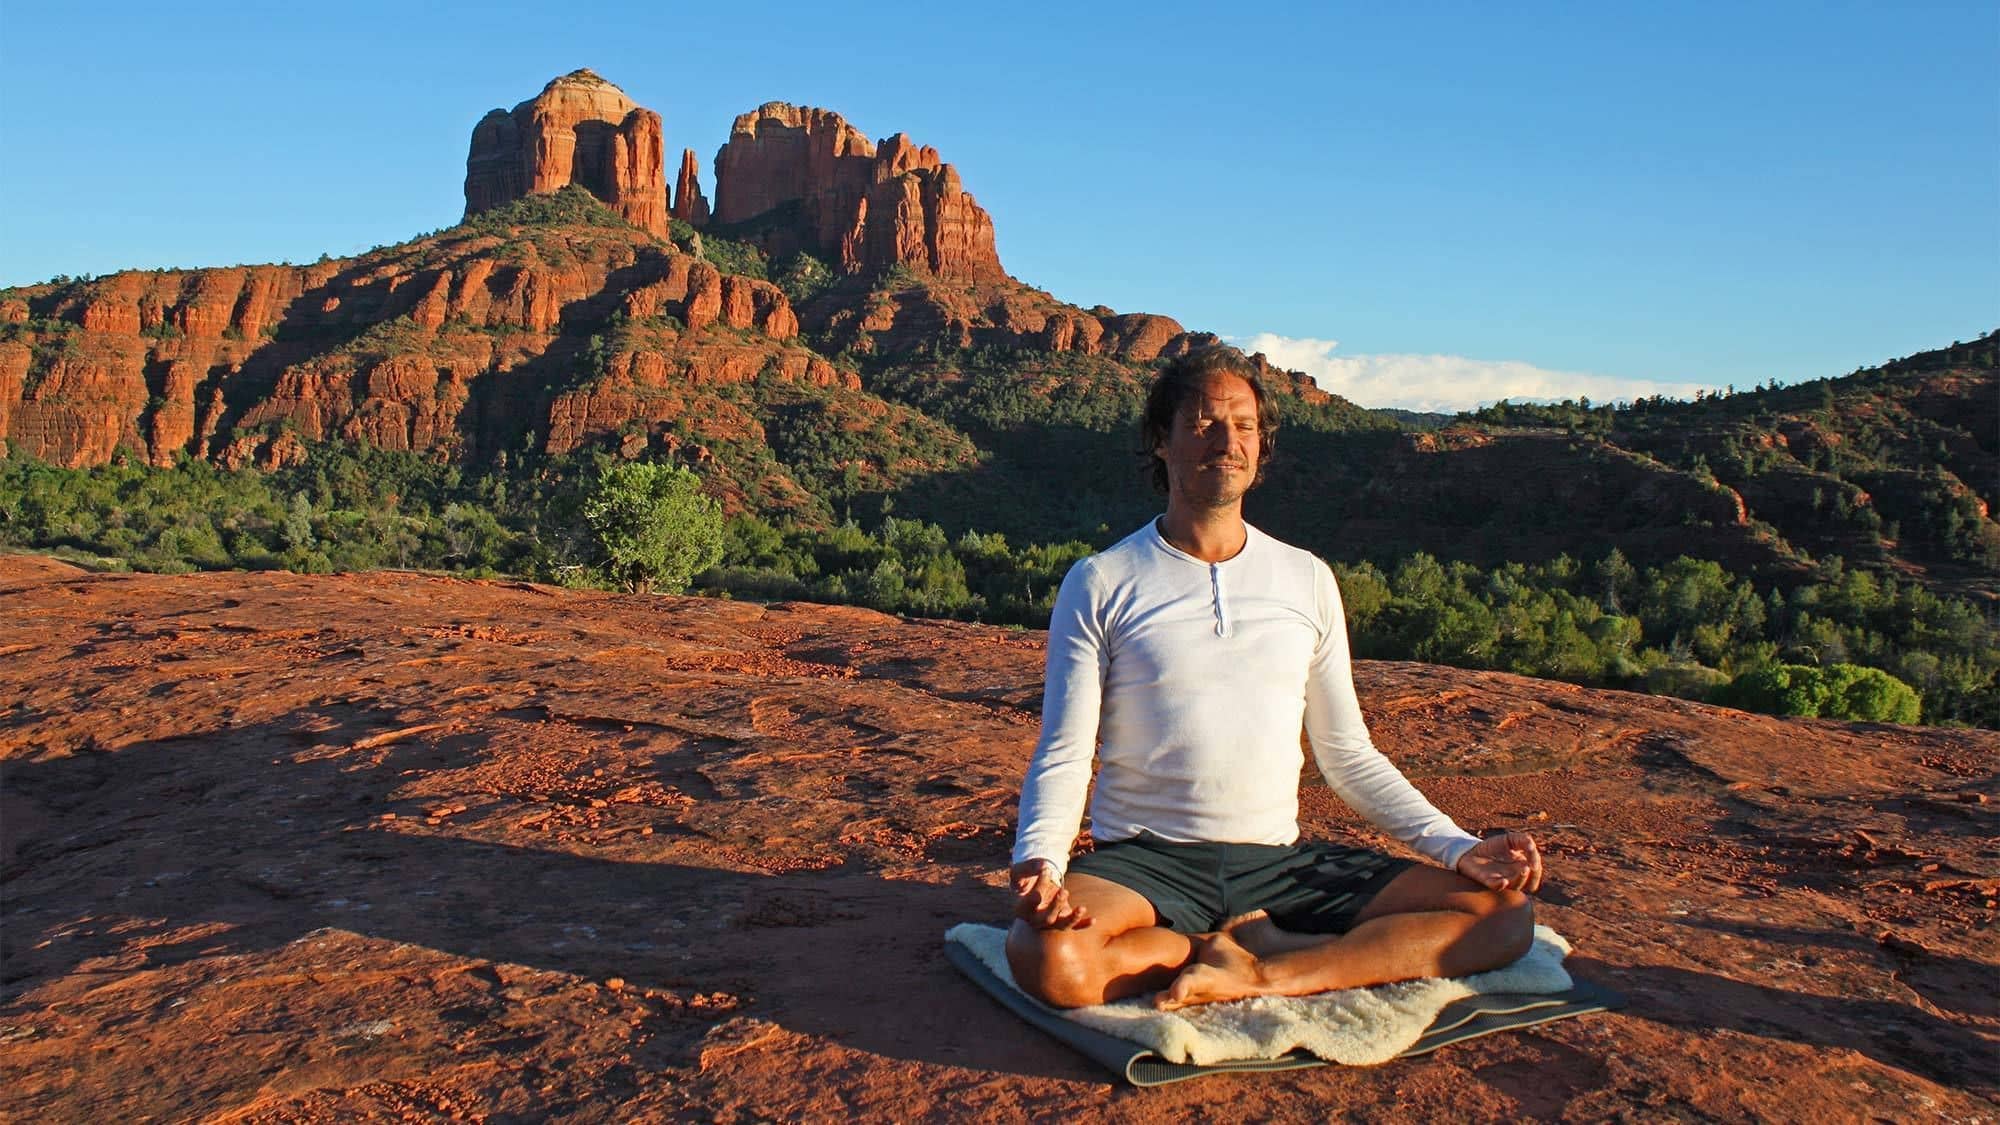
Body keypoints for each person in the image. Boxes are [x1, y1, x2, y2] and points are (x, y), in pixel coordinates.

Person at [1006, 347, 1544, 1011]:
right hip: (1144, 863)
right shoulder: (1101, 581)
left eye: (1244, 425)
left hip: (1277, 864)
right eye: (1203, 423)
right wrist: (1042, 863)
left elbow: (1348, 756)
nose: (1227, 441)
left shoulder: (1307, 578)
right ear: (1161, 442)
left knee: (1504, 913)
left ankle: (1265, 971)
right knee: (1046, 956)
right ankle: (1222, 946)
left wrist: (1460, 848)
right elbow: (1064, 750)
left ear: (1261, 446)